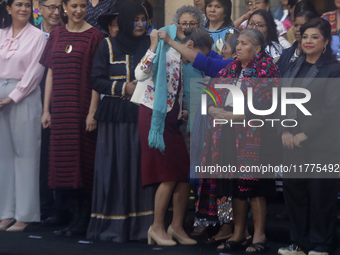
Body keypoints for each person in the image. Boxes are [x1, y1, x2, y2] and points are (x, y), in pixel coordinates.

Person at [135, 27, 213, 246]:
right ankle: (156, 227)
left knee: (182, 174)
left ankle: (176, 226)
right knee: (168, 175)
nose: (197, 62)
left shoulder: (182, 61)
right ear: (189, 47)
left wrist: (182, 112)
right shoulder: (164, 52)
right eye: (198, 56)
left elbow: (176, 92)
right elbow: (140, 74)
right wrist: (152, 47)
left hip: (173, 119)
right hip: (153, 117)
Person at [87, 2, 156, 243]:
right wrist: (122, 87)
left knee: (140, 168)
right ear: (126, 20)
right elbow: (96, 79)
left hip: (143, 115)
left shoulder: (151, 44)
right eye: (135, 19)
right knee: (116, 167)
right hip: (115, 117)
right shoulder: (107, 45)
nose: (140, 24)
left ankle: (142, 227)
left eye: (143, 19)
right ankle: (114, 226)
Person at [207, 29, 280, 253]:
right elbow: (212, 93)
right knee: (234, 184)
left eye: (244, 44)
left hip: (255, 135)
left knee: (254, 185)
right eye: (237, 43)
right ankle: (239, 232)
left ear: (257, 49)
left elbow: (265, 107)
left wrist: (232, 116)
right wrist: (212, 108)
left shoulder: (267, 69)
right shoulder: (231, 68)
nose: (238, 47)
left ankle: (259, 234)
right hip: (229, 131)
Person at [277, 18, 340, 255]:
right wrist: (284, 129)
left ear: (325, 41)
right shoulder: (293, 66)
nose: (308, 41)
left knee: (321, 195)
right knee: (294, 194)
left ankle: (321, 245)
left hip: (322, 144)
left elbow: (332, 108)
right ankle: (300, 244)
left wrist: (304, 133)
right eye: (305, 36)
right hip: (291, 143)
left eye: (315, 37)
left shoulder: (333, 69)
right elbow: (280, 100)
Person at [40, 0, 103, 237]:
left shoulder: (95, 36)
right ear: (64, 7)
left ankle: (83, 219)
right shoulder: (56, 34)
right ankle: (67, 215)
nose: (78, 11)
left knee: (83, 164)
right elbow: (50, 73)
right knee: (62, 162)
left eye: (82, 6)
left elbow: (98, 77)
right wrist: (46, 109)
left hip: (82, 109)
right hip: (61, 110)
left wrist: (92, 112)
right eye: (74, 6)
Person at [0, 0, 46, 231]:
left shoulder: (37, 36)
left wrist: (13, 96)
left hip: (24, 94)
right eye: (18, 4)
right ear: (8, 9)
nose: (24, 9)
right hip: (0, 92)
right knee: (4, 156)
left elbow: (36, 71)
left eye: (27, 5)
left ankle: (26, 214)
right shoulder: (1, 33)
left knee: (26, 154)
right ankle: (6, 212)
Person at [36, 0, 63, 224]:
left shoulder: (66, 32)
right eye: (51, 8)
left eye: (58, 8)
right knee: (38, 154)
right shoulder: (31, 32)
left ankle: (59, 209)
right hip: (30, 98)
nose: (56, 12)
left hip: (61, 100)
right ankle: (41, 206)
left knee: (57, 153)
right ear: (40, 9)